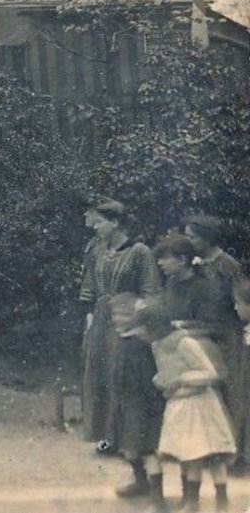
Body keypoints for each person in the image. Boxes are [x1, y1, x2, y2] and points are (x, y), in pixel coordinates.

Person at [80, 200, 160, 473]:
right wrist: (90, 316)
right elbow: (89, 284)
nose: (95, 227)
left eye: (100, 222)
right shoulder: (97, 249)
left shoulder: (140, 252)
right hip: (102, 320)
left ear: (115, 222)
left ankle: (132, 441)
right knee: (101, 375)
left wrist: (136, 323)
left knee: (124, 378)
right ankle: (108, 436)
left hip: (128, 321)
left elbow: (151, 293)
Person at [134, 306, 236, 513]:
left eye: (143, 328)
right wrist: (161, 381)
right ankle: (190, 500)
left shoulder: (185, 343)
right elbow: (164, 373)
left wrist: (181, 379)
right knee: (187, 453)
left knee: (204, 452)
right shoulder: (157, 345)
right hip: (178, 404)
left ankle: (215, 500)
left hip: (199, 405)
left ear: (154, 326)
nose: (140, 333)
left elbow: (209, 373)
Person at [181, 214, 250, 473]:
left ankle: (237, 457)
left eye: (192, 236)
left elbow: (243, 300)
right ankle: (212, 451)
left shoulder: (228, 265)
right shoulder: (196, 265)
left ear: (207, 238)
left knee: (233, 394)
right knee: (208, 395)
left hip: (228, 338)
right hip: (204, 334)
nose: (188, 241)